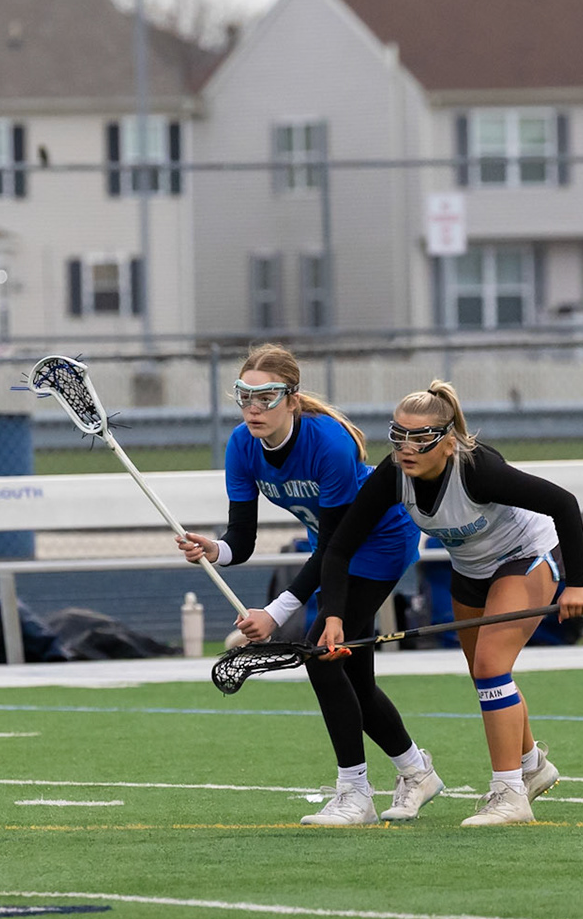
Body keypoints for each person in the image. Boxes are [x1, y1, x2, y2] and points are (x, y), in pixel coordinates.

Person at [176, 343, 443, 826]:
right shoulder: (241, 445)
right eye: (245, 397)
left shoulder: (329, 444)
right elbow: (242, 539)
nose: (254, 409)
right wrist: (214, 550)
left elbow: (335, 547)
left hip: (381, 542)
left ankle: (355, 793)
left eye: (266, 398)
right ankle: (416, 770)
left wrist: (276, 614)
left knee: (322, 657)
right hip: (333, 551)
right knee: (352, 677)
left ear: (292, 400)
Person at [318, 380, 583, 827]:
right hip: (470, 570)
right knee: (486, 673)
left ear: (448, 442)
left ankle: (509, 793)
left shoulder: (477, 469)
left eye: (421, 437)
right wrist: (333, 616)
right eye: (398, 435)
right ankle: (532, 765)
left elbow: (564, 503)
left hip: (526, 556)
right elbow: (340, 547)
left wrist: (577, 585)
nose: (407, 448)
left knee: (490, 667)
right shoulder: (394, 474)